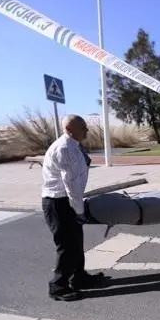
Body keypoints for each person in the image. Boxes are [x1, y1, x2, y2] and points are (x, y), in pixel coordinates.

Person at [41, 114, 107, 301]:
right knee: (67, 246)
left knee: (76, 242)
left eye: (86, 126)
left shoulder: (72, 145)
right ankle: (58, 287)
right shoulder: (65, 148)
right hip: (59, 202)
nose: (86, 130)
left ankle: (79, 278)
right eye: (82, 127)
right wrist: (79, 211)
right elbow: (71, 184)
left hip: (66, 201)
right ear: (70, 130)